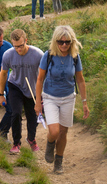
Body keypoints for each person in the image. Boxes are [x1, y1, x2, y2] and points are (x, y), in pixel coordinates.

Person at [34, 25, 89, 175]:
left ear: (72, 42)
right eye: (60, 42)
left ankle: (59, 161)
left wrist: (84, 102)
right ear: (55, 41)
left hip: (68, 97)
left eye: (67, 42)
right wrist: (38, 102)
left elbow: (81, 80)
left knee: (63, 132)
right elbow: (40, 79)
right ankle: (50, 143)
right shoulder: (49, 55)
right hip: (50, 97)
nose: (64, 45)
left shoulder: (75, 57)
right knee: (55, 131)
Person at [0, 29, 44, 154]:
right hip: (15, 85)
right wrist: (1, 94)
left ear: (26, 41)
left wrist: (43, 95)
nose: (19, 49)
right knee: (16, 113)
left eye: (21, 45)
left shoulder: (38, 54)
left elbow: (44, 76)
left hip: (33, 87)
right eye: (15, 46)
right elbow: (3, 74)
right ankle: (16, 143)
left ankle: (31, 139)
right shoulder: (8, 55)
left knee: (33, 116)